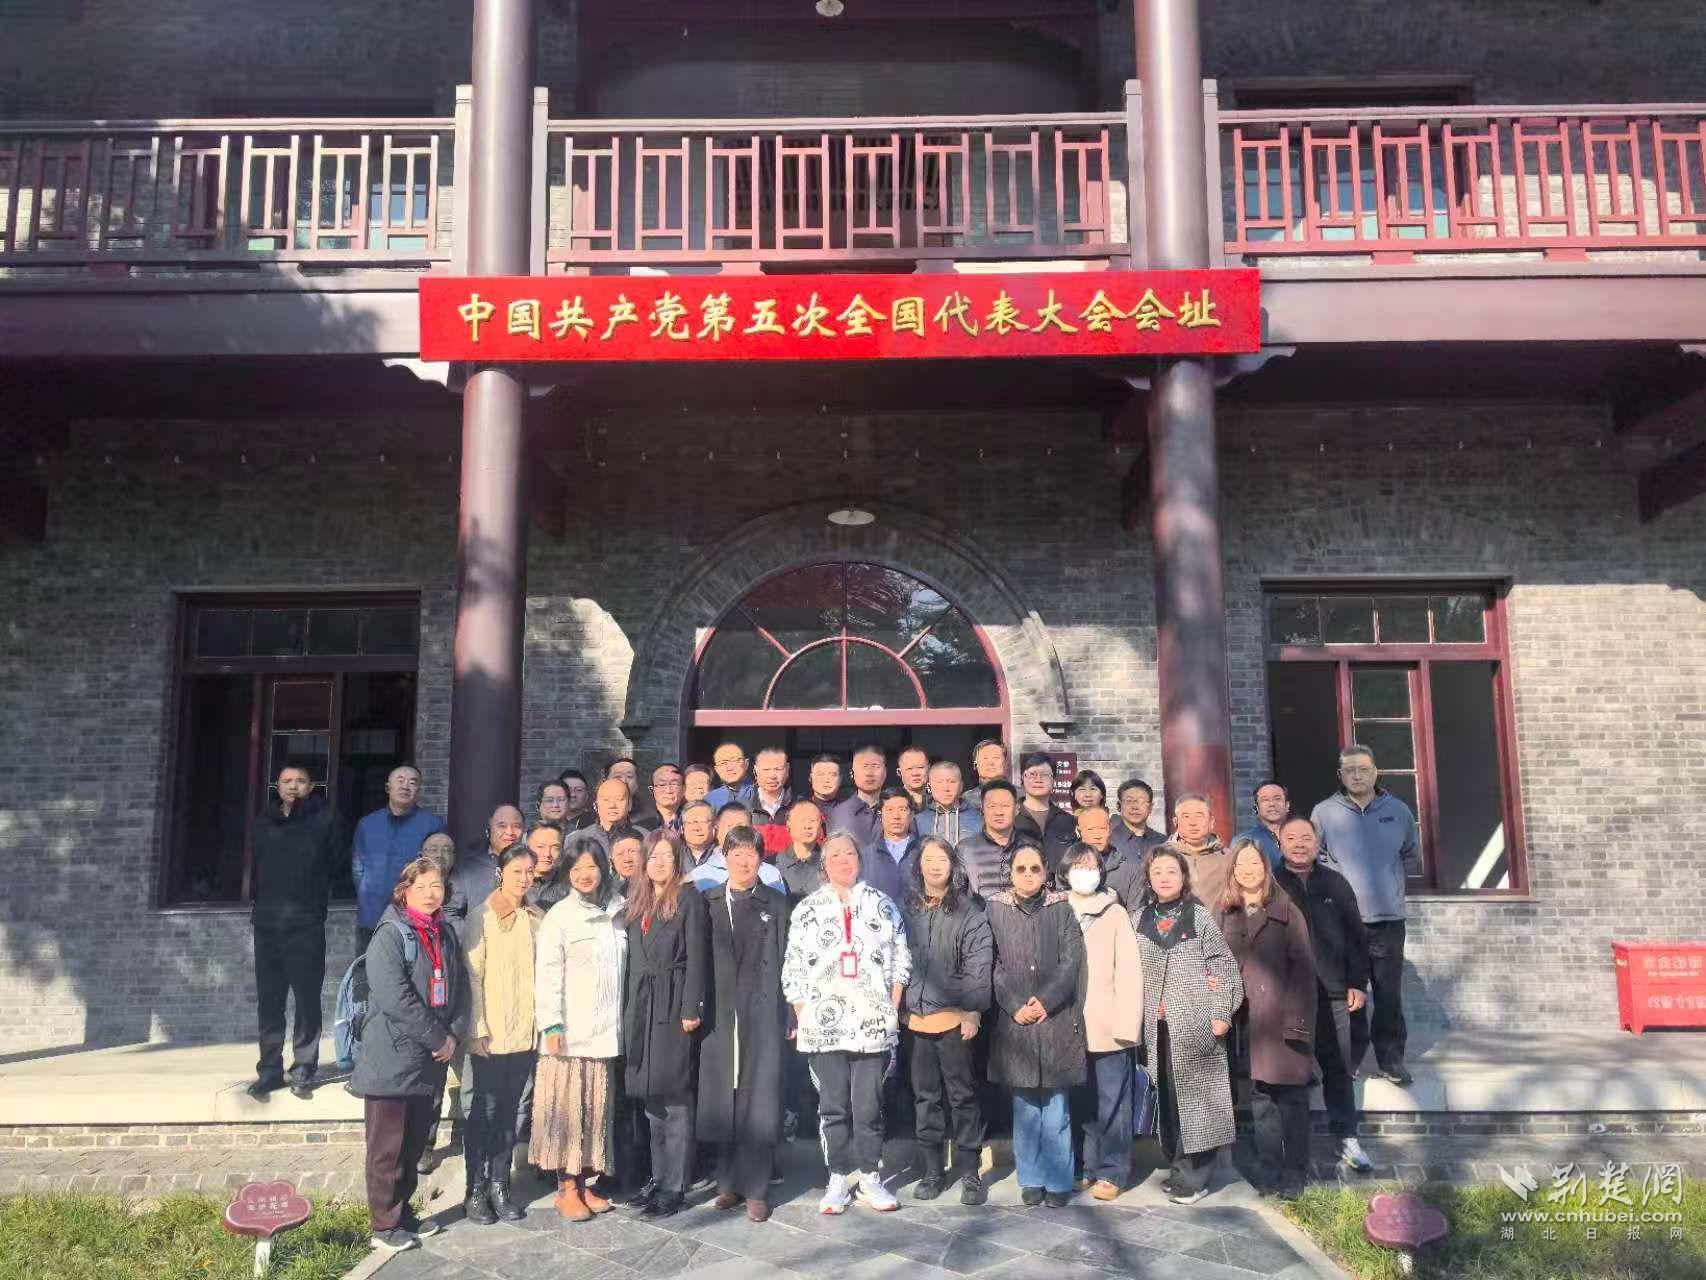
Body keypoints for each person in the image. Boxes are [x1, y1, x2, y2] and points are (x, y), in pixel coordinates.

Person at [781, 832, 912, 1215]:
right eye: (835, 854)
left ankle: (870, 1176)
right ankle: (837, 1177)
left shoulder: (882, 905)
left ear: (859, 859)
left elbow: (900, 960)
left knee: (868, 1107)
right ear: (824, 864)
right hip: (824, 1028)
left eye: (849, 853)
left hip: (872, 1024)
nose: (843, 859)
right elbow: (793, 967)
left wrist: (891, 1007)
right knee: (833, 1107)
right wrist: (805, 1013)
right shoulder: (808, 909)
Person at [351, 856, 469, 1254]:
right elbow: (394, 997)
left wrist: (453, 1033)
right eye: (421, 887)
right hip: (393, 1057)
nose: (430, 893)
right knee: (387, 1149)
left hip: (427, 1058)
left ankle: (403, 1216)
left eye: (437, 886)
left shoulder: (443, 932)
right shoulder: (390, 934)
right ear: (405, 891)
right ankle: (383, 1226)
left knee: (413, 1143)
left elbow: (459, 985)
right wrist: (438, 1038)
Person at [1133, 847, 1242, 1205]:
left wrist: (1221, 1012)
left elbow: (1223, 966)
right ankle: (1179, 1168)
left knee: (1196, 1103)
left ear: (1183, 877)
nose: (1164, 878)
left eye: (1171, 871)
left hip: (1196, 1024)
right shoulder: (1138, 919)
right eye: (1157, 872)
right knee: (1167, 1100)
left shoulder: (1199, 916)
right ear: (1149, 879)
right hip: (1156, 1028)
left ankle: (1195, 1178)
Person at [1312, 745, 1420, 1086]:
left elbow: (1410, 854)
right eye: (1349, 770)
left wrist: (1388, 884)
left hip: (1388, 919)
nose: (1357, 775)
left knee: (1388, 994)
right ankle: (1350, 1059)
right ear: (1340, 775)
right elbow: (1315, 857)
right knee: (1349, 995)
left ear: (1375, 772)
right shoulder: (1324, 812)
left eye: (1363, 769)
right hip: (1344, 920)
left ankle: (1391, 1060)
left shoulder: (1398, 811)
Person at [699, 827, 792, 1223]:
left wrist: (791, 1014)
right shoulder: (708, 902)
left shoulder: (776, 903)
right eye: (735, 854)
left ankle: (756, 1189)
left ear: (760, 858)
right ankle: (728, 1183)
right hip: (720, 1012)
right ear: (724, 858)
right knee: (724, 1096)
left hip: (763, 1012)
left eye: (750, 854)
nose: (743, 861)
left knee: (760, 1100)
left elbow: (789, 962)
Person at [1215, 837, 1317, 1198]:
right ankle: (1270, 1171)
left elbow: (1304, 972)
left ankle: (1295, 1173)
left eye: (1254, 864)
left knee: (1291, 1100)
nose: (1248, 871)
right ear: (1233, 870)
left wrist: (1298, 1024)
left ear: (1265, 869)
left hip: (1282, 1020)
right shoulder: (1225, 912)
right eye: (1241, 864)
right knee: (1260, 1102)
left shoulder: (1287, 912)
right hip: (1245, 1024)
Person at [986, 840, 1085, 1209]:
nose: (1028, 875)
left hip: (1055, 1019)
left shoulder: (1062, 908)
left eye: (1035, 868)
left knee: (1057, 1107)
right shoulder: (995, 909)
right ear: (1010, 874)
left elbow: (1071, 960)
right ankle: (1030, 1178)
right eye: (1020, 869)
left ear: (1046, 873)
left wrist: (1046, 1001)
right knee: (1025, 1107)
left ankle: (1058, 1180)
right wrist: (1014, 1005)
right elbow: (992, 964)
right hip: (1016, 1024)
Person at [532, 839, 627, 1223]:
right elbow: (547, 974)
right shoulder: (560, 916)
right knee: (567, 1113)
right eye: (576, 870)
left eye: (590, 867)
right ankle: (566, 1188)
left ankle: (587, 1183)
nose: (585, 875)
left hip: (605, 1030)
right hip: (569, 1033)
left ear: (603, 868)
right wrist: (552, 1024)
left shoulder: (619, 910)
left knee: (595, 1111)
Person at [1273, 813, 1372, 1173]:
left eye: (1306, 838)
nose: (1299, 845)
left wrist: (1357, 982)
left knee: (1338, 1068)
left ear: (1317, 844)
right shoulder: (1271, 883)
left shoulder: (1335, 883)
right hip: (1287, 996)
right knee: (1290, 1072)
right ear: (1279, 843)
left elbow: (1357, 937)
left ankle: (1346, 1136)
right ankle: (1290, 1146)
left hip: (1333, 995)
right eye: (1291, 838)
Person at [901, 837, 992, 1205]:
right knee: (925, 1098)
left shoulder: (968, 911)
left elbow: (979, 965)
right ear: (918, 865)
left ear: (953, 865)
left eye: (942, 858)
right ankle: (932, 1171)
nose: (935, 865)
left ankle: (970, 1172)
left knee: (962, 1096)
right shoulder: (907, 909)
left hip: (955, 1018)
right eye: (928, 859)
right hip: (916, 1019)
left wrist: (973, 1011)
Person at [622, 829, 709, 1218]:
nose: (658, 863)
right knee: (650, 1098)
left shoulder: (688, 898)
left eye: (666, 857)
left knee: (674, 1099)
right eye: (652, 857)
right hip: (641, 1005)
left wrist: (691, 1007)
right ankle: (657, 1178)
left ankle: (675, 1185)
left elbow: (698, 957)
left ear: (677, 861)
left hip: (673, 1004)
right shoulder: (639, 899)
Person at [460, 844, 542, 1225]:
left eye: (529, 872)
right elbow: (472, 977)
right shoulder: (482, 917)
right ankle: (475, 1189)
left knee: (510, 1113)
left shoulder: (536, 918)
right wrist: (477, 1029)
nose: (523, 878)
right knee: (484, 1113)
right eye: (516, 872)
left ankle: (500, 1185)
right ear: (500, 874)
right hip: (490, 1036)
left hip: (524, 1034)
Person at [247, 761, 338, 1102]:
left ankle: (303, 1069)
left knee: (306, 998)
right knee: (269, 1000)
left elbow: (335, 862)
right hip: (267, 923)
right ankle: (270, 1070)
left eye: (300, 780)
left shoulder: (324, 819)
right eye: (286, 780)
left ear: (311, 787)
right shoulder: (263, 821)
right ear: (277, 785)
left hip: (306, 923)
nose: (293, 786)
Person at [1062, 843, 1142, 1202]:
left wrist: (1127, 1024)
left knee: (1113, 1102)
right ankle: (1082, 1166)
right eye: (1078, 865)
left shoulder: (1115, 912)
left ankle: (1113, 1170)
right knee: (1078, 1102)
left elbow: (1129, 971)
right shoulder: (1057, 908)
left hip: (1108, 1024)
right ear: (1066, 871)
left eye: (1091, 865)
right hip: (1067, 1025)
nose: (1085, 872)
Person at [352, 765, 445, 953]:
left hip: (415, 916)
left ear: (418, 790)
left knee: (413, 967)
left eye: (412, 782)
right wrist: (366, 894)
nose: (405, 786)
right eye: (400, 780)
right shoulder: (367, 824)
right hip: (372, 913)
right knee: (366, 966)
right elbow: (357, 867)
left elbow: (439, 868)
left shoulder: (433, 825)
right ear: (388, 787)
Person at [448, 804, 525, 925]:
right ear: (489, 829)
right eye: (502, 826)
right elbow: (450, 912)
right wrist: (472, 934)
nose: (510, 832)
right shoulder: (468, 868)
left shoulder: (532, 866)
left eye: (517, 826)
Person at [687, 806, 785, 893]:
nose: (735, 832)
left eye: (741, 827)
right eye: (729, 826)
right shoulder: (699, 876)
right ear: (716, 829)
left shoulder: (769, 873)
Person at [1166, 794, 1232, 911]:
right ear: (1175, 822)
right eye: (1186, 816)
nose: (1193, 823)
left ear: (1211, 821)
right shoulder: (1161, 856)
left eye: (1199, 816)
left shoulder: (1228, 857)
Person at [957, 780, 1020, 899]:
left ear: (1017, 809)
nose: (999, 812)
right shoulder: (965, 849)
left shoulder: (1031, 845)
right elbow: (957, 894)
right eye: (992, 806)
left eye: (1005, 806)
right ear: (982, 810)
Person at [863, 787, 921, 903]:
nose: (896, 816)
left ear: (911, 815)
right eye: (890, 810)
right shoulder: (867, 854)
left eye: (902, 810)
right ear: (880, 814)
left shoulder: (922, 851)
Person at [1015, 751, 1076, 861]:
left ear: (1054, 781)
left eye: (1045, 775)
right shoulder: (1011, 818)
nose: (1038, 779)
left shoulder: (1068, 821)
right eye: (1032, 774)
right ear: (1022, 779)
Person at [828, 744, 889, 852]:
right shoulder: (840, 813)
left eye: (875, 766)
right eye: (864, 766)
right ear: (852, 773)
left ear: (885, 772)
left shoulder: (897, 809)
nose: (869, 773)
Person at [918, 760, 982, 845]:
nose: (946, 788)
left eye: (952, 782)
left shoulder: (977, 818)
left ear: (961, 786)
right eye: (939, 782)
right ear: (929, 786)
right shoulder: (918, 821)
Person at [775, 799, 826, 902]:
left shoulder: (829, 863)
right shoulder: (774, 864)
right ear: (788, 824)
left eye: (812, 820)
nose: (807, 826)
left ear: (821, 825)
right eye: (801, 820)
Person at [1110, 778, 1167, 864]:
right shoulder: (1107, 840)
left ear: (1150, 808)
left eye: (1141, 801)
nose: (1135, 807)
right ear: (1118, 806)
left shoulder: (1162, 842)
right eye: (1129, 801)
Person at [1235, 781, 1289, 869]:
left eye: (1277, 799)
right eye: (1265, 800)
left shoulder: (1302, 838)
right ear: (1256, 808)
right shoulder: (1244, 840)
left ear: (1287, 805)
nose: (1272, 804)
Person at [573, 779, 636, 852]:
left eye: (619, 799)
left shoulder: (644, 837)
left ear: (629, 804)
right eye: (606, 800)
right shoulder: (576, 840)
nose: (612, 805)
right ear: (595, 805)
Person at [706, 741, 755, 811]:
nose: (729, 768)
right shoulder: (710, 799)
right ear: (716, 769)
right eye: (723, 763)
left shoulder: (762, 794)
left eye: (734, 761)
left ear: (746, 764)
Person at [962, 739, 1008, 809]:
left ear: (1006, 763)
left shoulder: (1020, 796)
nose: (990, 763)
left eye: (996, 758)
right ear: (975, 764)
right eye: (985, 758)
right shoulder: (966, 799)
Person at [679, 801, 720, 871]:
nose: (697, 828)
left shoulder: (725, 856)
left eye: (702, 822)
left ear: (714, 826)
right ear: (682, 828)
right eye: (691, 822)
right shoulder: (674, 855)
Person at [649, 763, 685, 832]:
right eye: (662, 785)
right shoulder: (640, 823)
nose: (668, 790)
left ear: (684, 789)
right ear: (652, 790)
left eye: (674, 784)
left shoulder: (691, 821)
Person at [897, 746, 931, 812]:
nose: (915, 773)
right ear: (899, 772)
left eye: (920, 767)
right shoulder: (889, 803)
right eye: (909, 769)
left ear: (929, 769)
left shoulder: (940, 802)